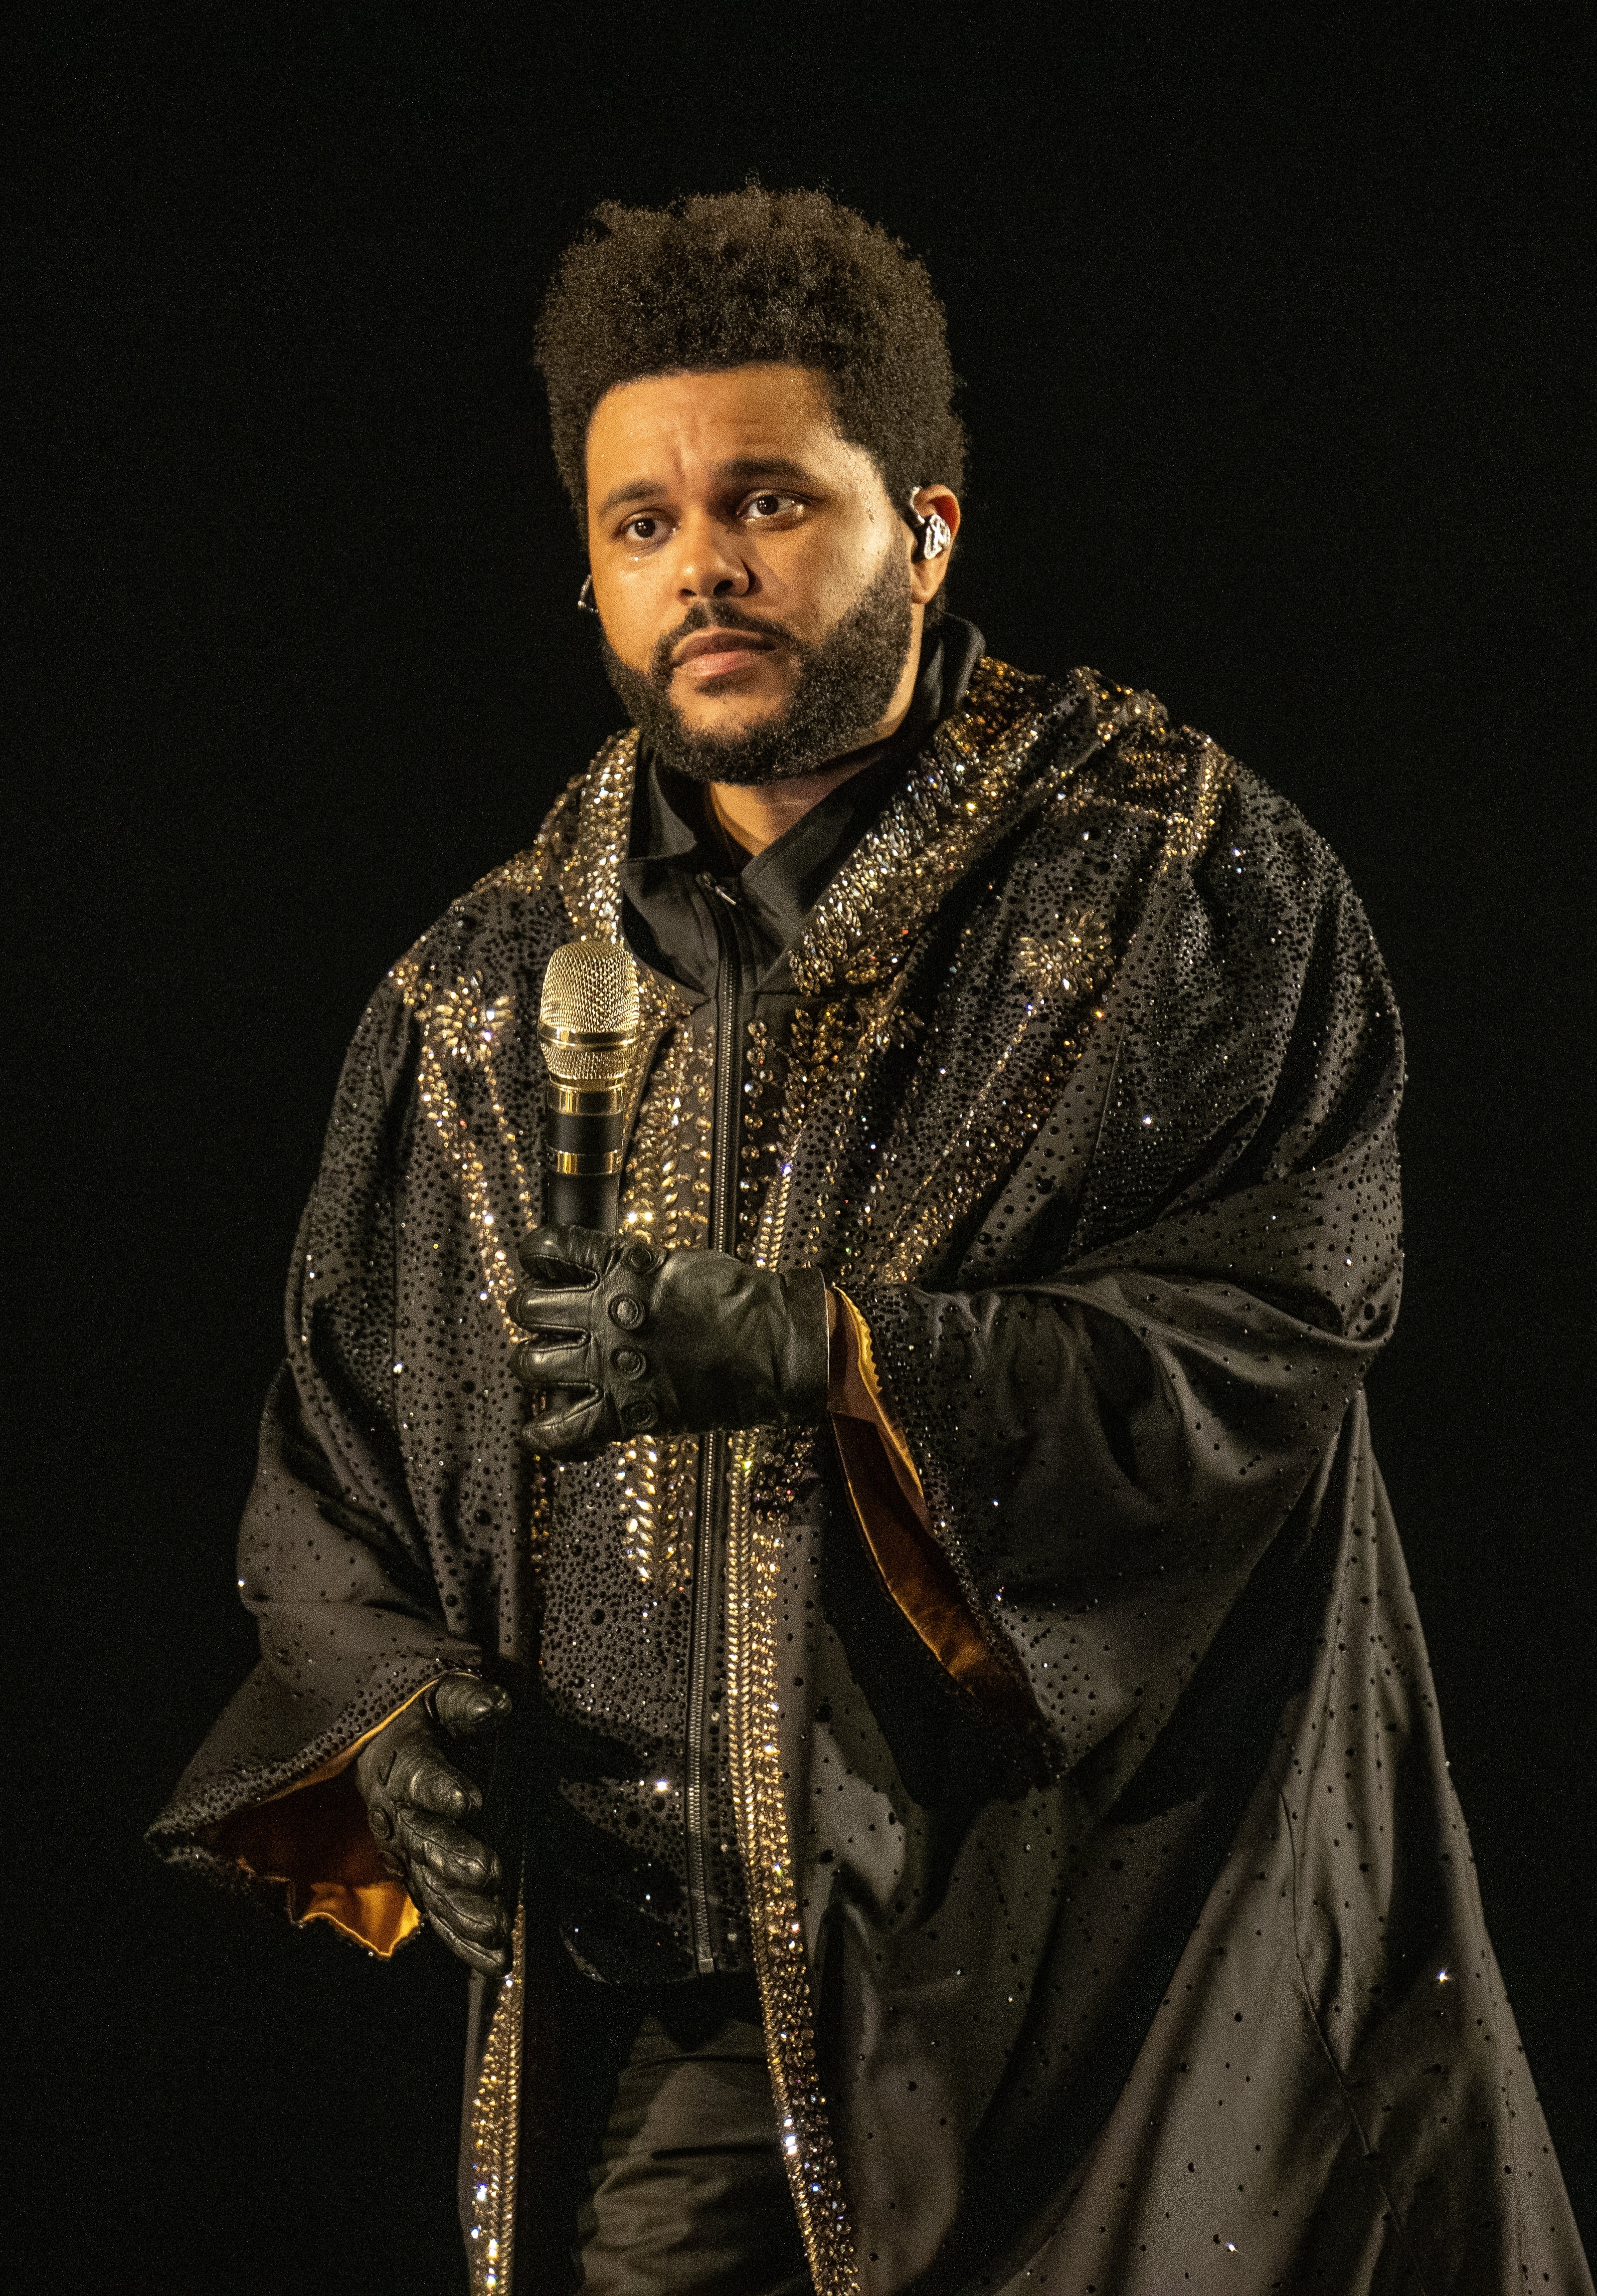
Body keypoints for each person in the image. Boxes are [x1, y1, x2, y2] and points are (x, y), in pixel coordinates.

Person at [150, 188, 1591, 2295]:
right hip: (692, 2016)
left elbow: (1288, 1310)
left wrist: (833, 1349)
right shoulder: (478, 996)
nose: (701, 566)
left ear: (921, 527)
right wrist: (395, 1721)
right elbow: (338, 1464)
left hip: (1133, 1978)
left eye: (765, 501)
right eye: (641, 523)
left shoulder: (1172, 875)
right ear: (586, 573)